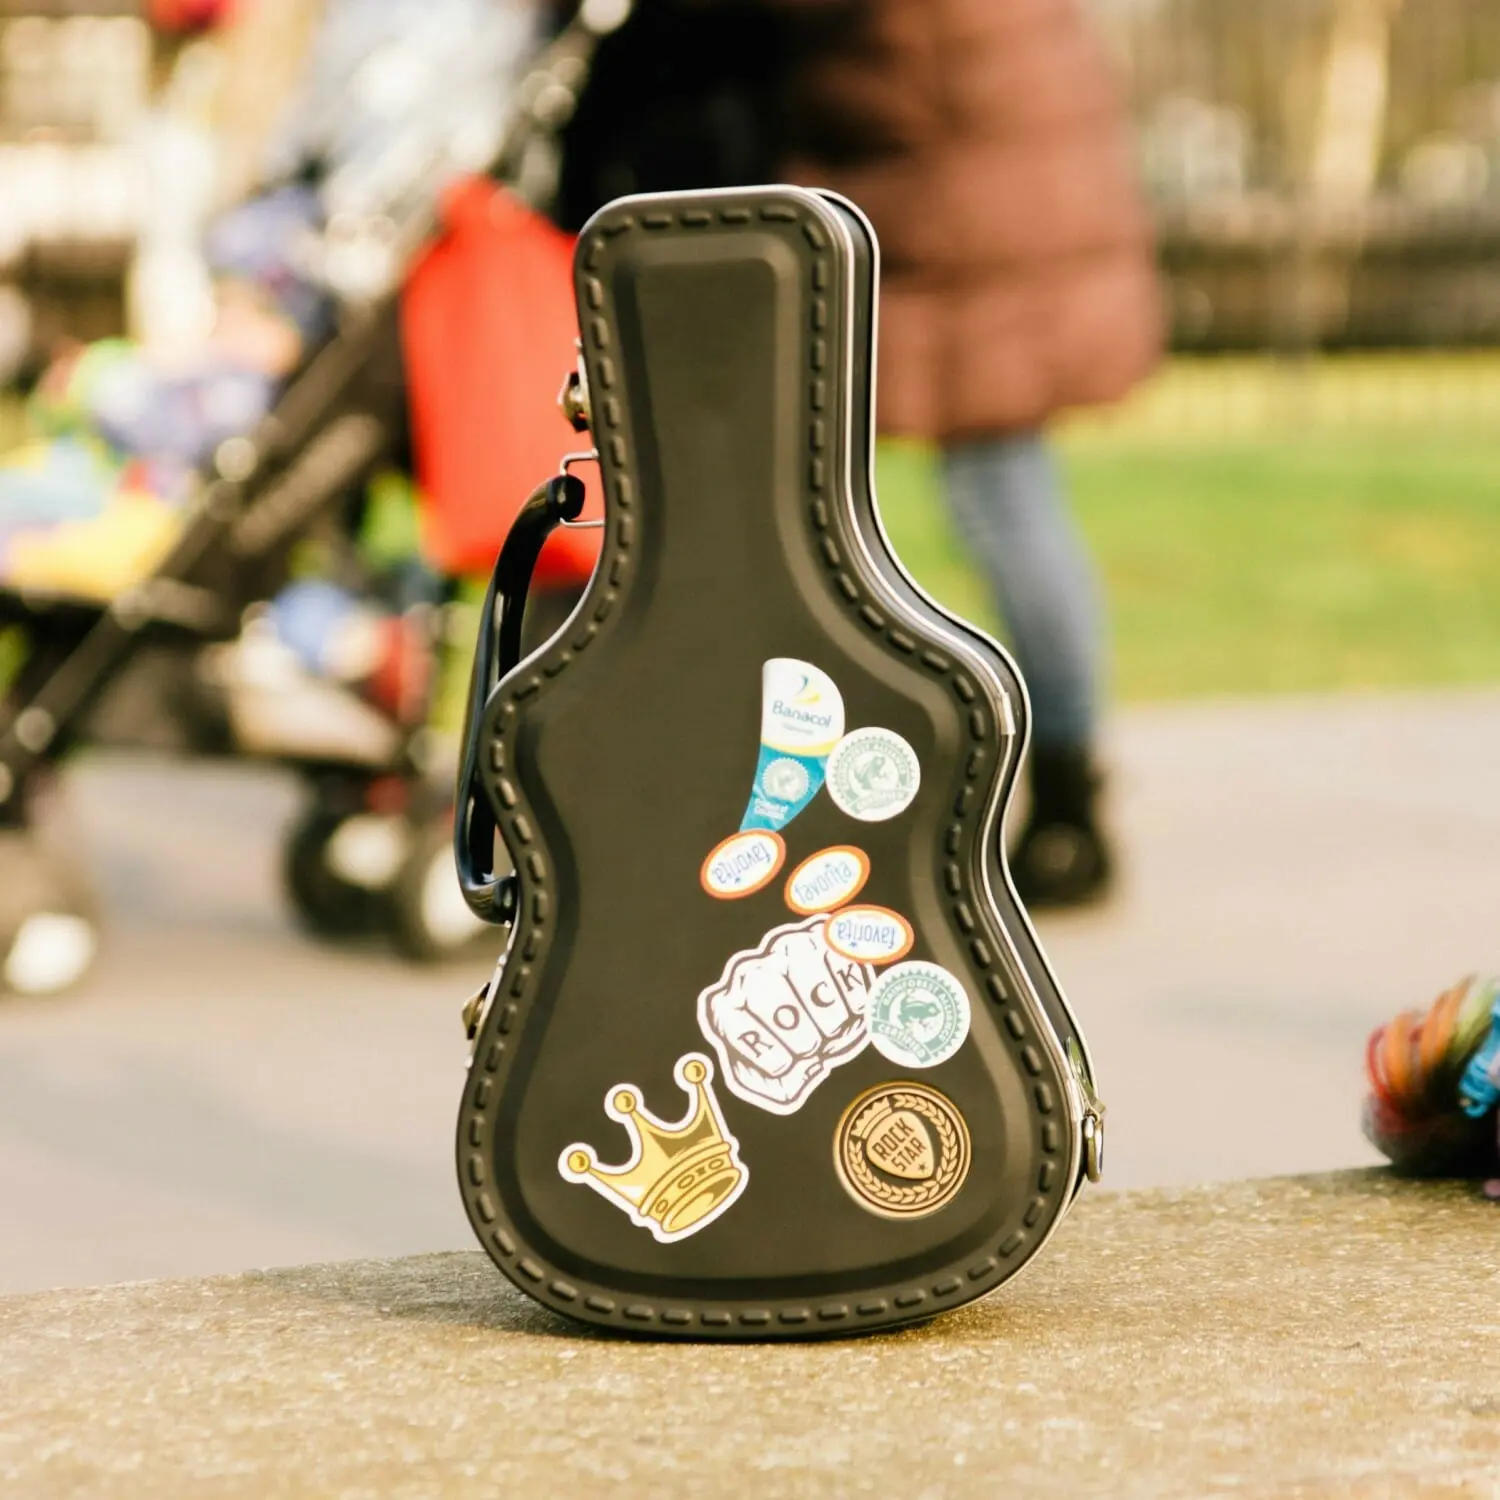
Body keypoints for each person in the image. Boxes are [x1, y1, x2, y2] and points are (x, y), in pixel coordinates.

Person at [774, 0, 1163, 906]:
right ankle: (1066, 795)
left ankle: (1064, 805)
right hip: (991, 172)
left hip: (969, 197)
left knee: (998, 502)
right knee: (1001, 496)